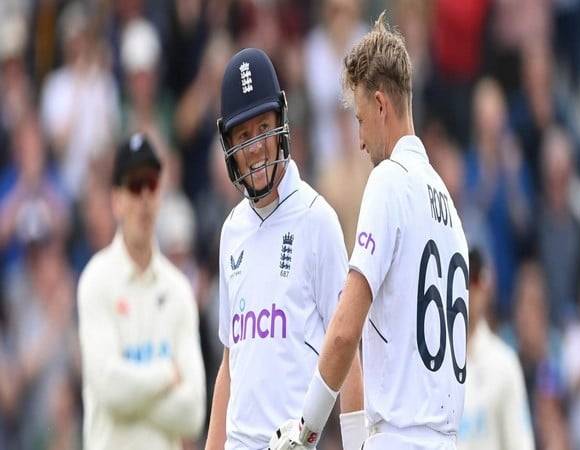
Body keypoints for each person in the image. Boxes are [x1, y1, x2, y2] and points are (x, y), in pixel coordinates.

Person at [270, 12, 469, 450]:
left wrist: (305, 431)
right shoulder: (450, 209)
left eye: (360, 118)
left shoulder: (388, 180)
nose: (359, 140)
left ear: (381, 105)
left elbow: (344, 330)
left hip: (399, 437)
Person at [205, 48, 364, 450]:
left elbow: (347, 351)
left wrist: (360, 445)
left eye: (263, 128)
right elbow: (230, 363)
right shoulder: (231, 231)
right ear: (230, 147)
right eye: (243, 136)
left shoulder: (316, 219)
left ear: (281, 124)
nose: (256, 147)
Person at [77, 134, 206, 449]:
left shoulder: (178, 290)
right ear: (116, 200)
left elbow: (193, 412)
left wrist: (130, 397)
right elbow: (108, 389)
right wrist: (165, 375)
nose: (145, 197)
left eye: (151, 183)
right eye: (134, 186)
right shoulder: (96, 280)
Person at [458, 248, 534, 450]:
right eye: (461, 277)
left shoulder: (504, 364)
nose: (468, 290)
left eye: (473, 279)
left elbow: (520, 444)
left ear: (485, 286)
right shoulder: (427, 361)